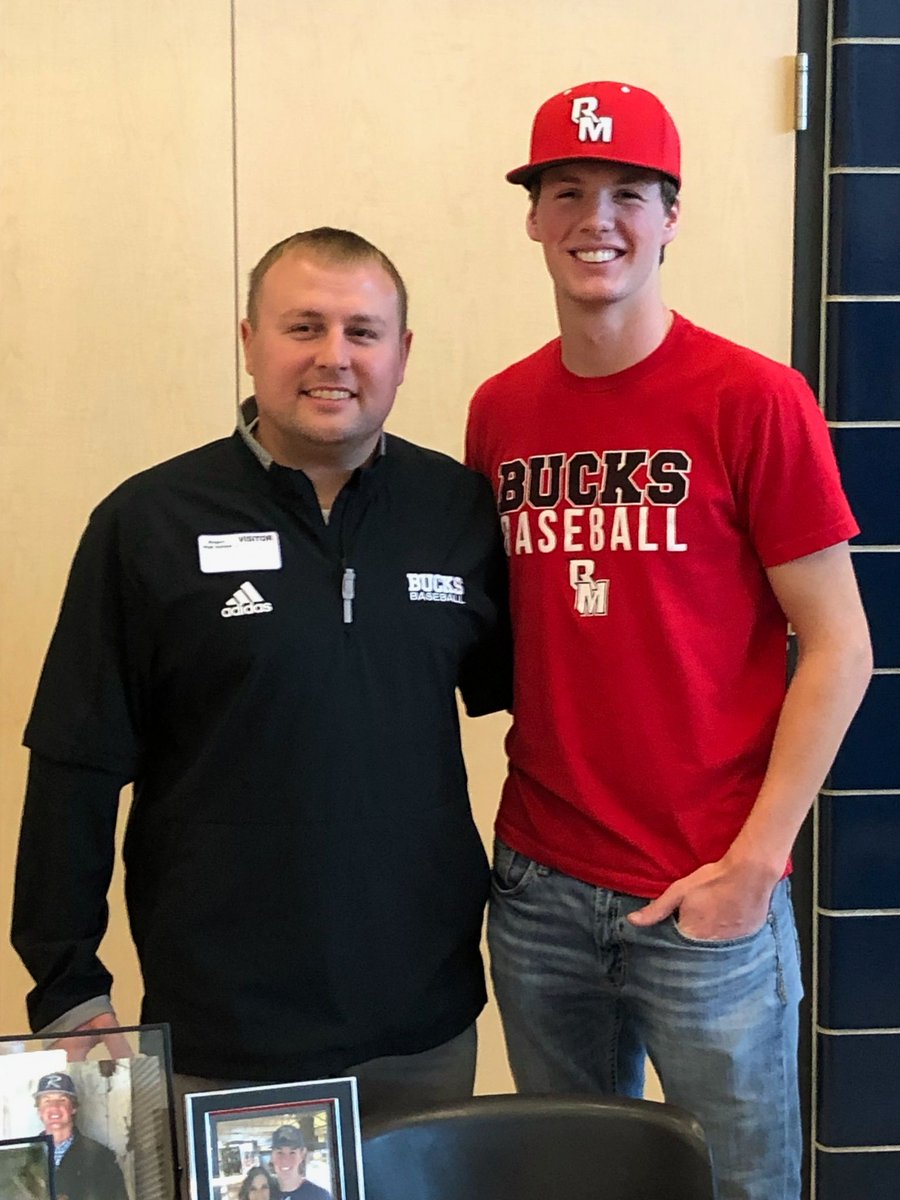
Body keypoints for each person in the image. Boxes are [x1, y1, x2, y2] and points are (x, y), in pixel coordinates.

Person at [465, 81, 872, 1200]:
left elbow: (841, 647)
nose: (599, 218)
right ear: (535, 217)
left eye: (629, 194)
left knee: (738, 1187)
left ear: (672, 216)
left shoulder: (755, 399)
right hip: (541, 887)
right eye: (570, 192)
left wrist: (756, 865)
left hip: (707, 899)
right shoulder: (499, 413)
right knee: (572, 1185)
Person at [12, 229, 510, 1120]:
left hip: (426, 1024)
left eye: (363, 331)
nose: (334, 357)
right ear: (249, 341)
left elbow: (555, 710)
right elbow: (74, 763)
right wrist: (66, 983)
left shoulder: (460, 512)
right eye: (303, 327)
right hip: (228, 1030)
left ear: (402, 355)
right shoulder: (148, 522)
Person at [33, 1072, 128, 1200]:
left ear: (73, 1107)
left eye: (62, 1100)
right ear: (39, 1110)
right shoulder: (21, 1159)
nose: (54, 1107)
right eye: (47, 1101)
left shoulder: (101, 1158)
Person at [268, 1126, 330, 1200]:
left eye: (292, 1153)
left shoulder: (319, 1196)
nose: (285, 1160)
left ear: (302, 1154)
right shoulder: (264, 1194)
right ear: (272, 1156)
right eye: (280, 1153)